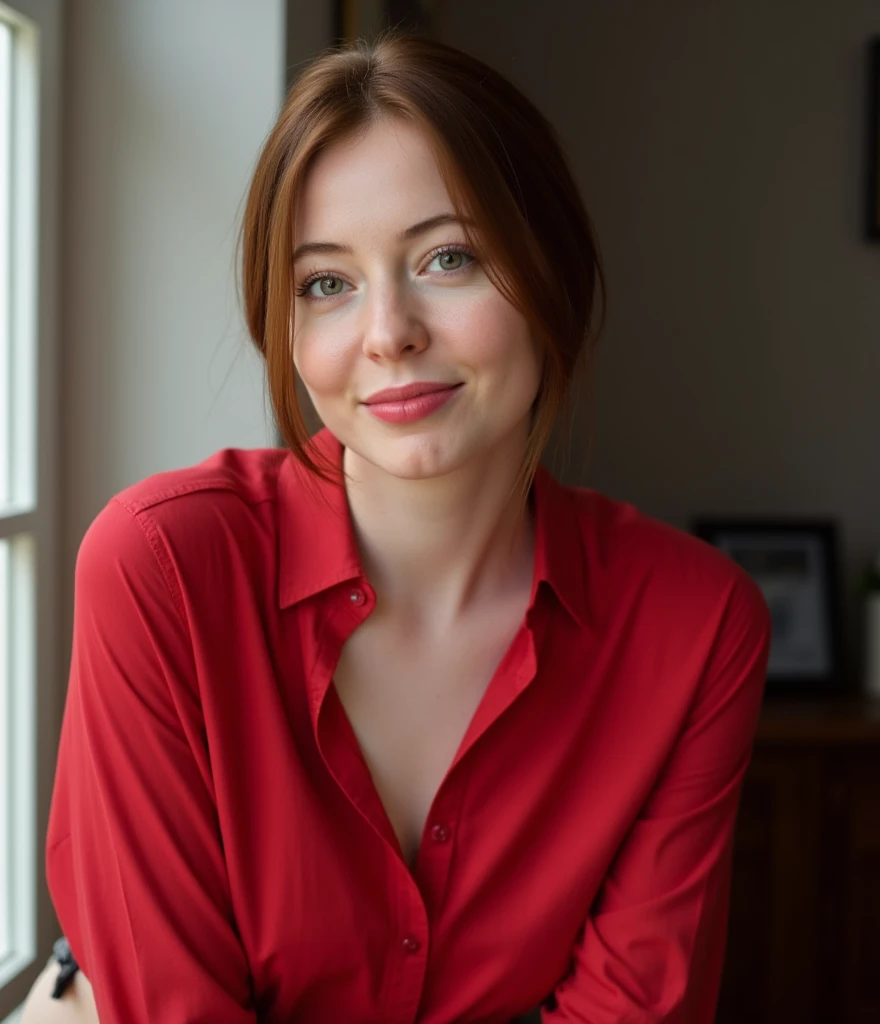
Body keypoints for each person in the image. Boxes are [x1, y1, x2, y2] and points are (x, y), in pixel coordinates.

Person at [22, 30, 772, 1024]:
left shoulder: (694, 626)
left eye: (448, 257)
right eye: (326, 283)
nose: (387, 332)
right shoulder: (159, 568)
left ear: (551, 269)